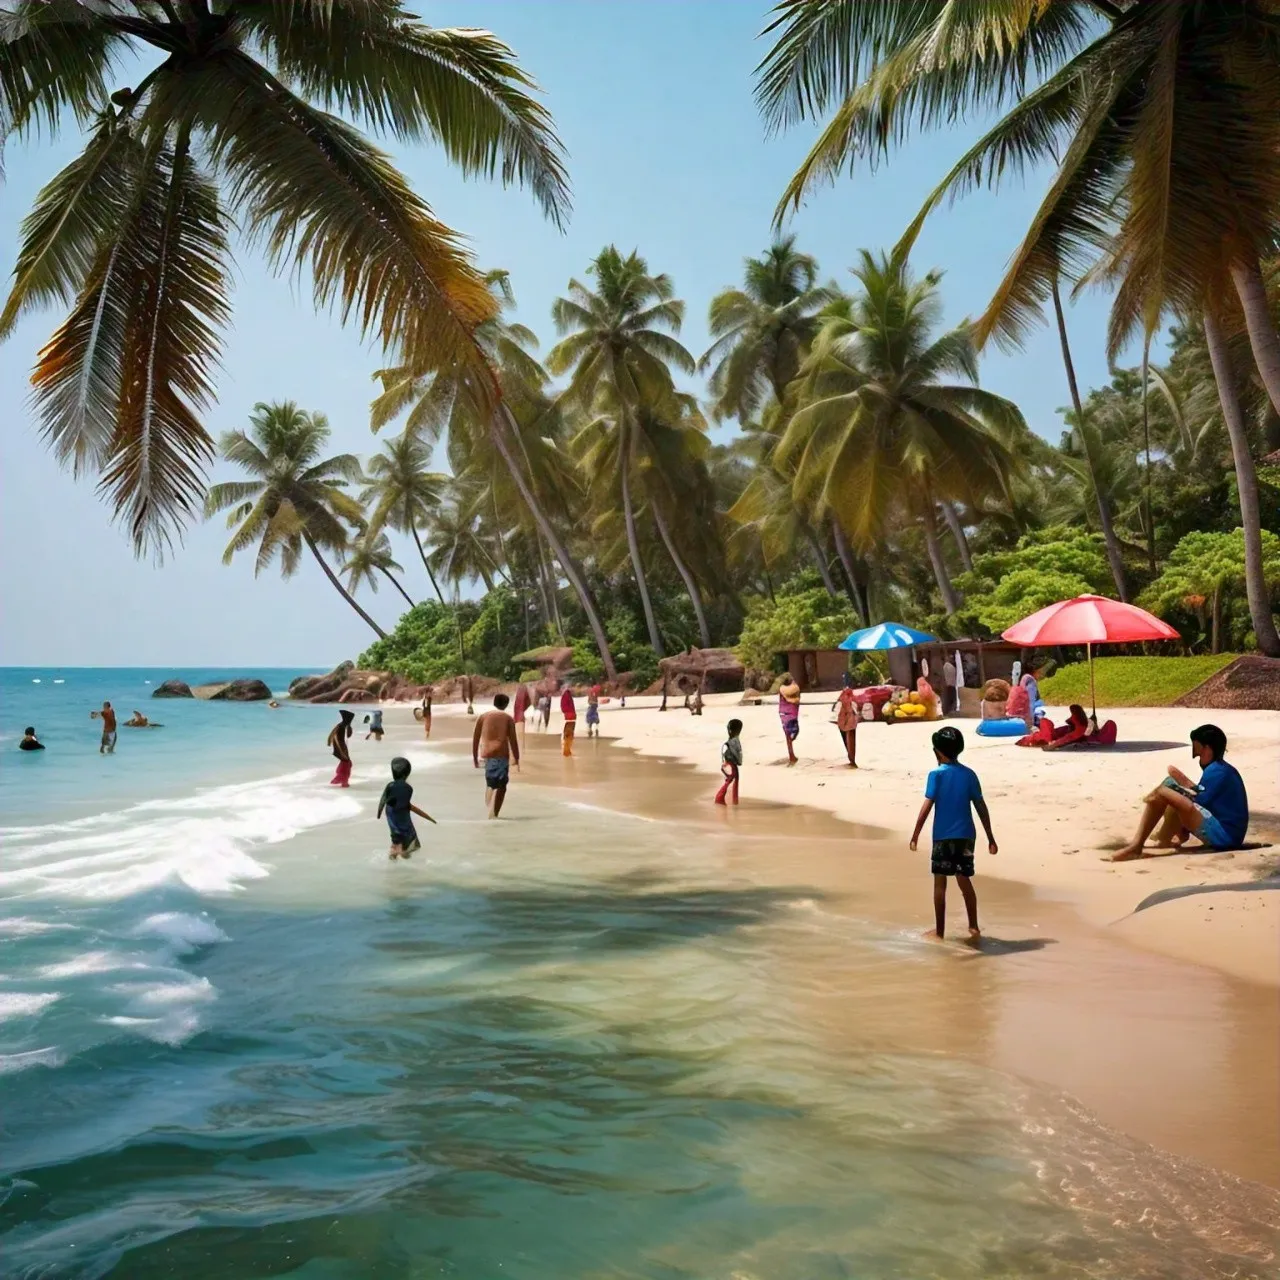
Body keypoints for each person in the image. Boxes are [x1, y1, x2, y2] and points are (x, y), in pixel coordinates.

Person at [909, 726, 998, 942]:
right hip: (966, 836)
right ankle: (973, 926)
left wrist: (915, 834)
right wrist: (990, 837)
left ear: (937, 752)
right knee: (964, 879)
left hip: (943, 836)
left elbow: (927, 805)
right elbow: (980, 806)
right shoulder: (969, 774)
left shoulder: (936, 775)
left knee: (940, 884)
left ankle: (939, 932)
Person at [1110, 724, 1249, 861]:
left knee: (1163, 792)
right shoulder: (1221, 769)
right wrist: (1180, 784)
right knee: (1170, 786)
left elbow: (1200, 800)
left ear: (1207, 749)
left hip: (1224, 837)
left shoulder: (1217, 770)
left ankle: (1137, 845)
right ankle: (1164, 838)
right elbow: (1204, 796)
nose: (1197, 757)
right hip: (1226, 833)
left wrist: (1182, 783)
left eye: (1199, 752)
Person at [377, 756, 435, 859]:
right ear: (407, 773)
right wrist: (429, 818)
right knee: (407, 836)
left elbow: (383, 799)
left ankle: (396, 853)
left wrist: (379, 812)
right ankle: (403, 853)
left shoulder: (390, 785)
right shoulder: (409, 788)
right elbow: (406, 804)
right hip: (402, 813)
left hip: (391, 812)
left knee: (396, 835)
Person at [473, 692, 521, 817]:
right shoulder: (508, 718)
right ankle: (494, 814)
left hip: (486, 754)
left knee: (491, 782)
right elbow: (513, 740)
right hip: (501, 754)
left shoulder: (483, 717)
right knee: (502, 785)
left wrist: (475, 758)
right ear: (506, 704)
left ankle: (487, 806)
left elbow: (476, 738)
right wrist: (517, 757)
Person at [831, 672, 858, 767]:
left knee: (848, 741)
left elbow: (842, 706)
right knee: (850, 741)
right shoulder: (850, 694)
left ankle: (852, 761)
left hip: (846, 720)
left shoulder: (846, 694)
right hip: (847, 719)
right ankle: (852, 760)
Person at [715, 719, 743, 805]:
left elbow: (724, 753)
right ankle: (729, 801)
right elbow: (738, 755)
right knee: (733, 783)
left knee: (729, 782)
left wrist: (723, 764)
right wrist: (739, 762)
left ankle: (722, 799)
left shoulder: (728, 742)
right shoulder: (735, 741)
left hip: (726, 764)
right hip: (732, 765)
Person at [778, 673, 801, 765]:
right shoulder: (794, 688)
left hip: (785, 713)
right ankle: (792, 756)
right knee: (791, 734)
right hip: (789, 714)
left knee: (789, 735)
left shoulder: (783, 689)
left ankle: (792, 756)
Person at [327, 710, 355, 787]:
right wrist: (340, 750)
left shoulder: (344, 725)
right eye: (350, 720)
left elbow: (348, 735)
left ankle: (343, 781)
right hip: (339, 746)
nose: (350, 721)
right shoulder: (340, 726)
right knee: (347, 762)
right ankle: (343, 781)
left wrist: (349, 726)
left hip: (342, 745)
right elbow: (334, 736)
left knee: (347, 762)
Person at [560, 684, 577, 757]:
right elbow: (563, 706)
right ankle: (566, 751)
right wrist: (568, 712)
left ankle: (567, 751)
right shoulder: (566, 695)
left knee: (569, 734)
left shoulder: (567, 694)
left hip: (570, 716)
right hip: (570, 716)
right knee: (569, 734)